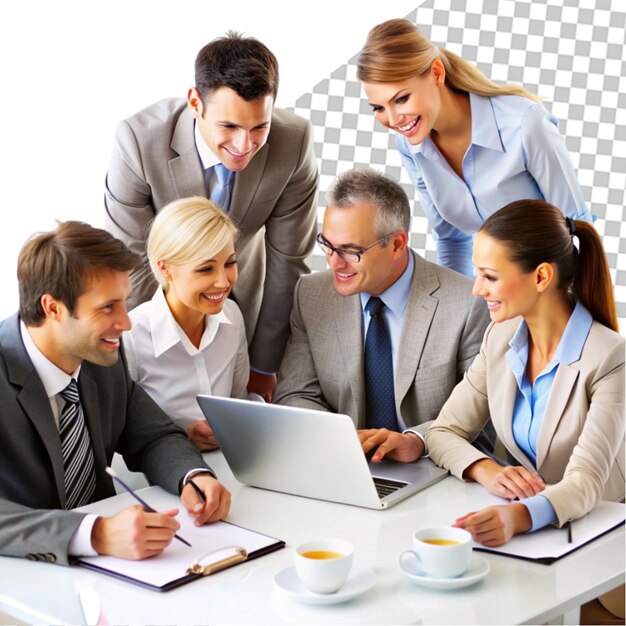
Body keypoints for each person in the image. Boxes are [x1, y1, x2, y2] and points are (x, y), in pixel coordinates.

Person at [0, 221, 231, 565]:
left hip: (115, 569)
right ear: (53, 308)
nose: (125, 323)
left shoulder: (100, 354)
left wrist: (191, 476)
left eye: (124, 302)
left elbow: (153, 436)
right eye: (108, 307)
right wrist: (94, 533)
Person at [105, 31, 319, 402]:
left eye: (259, 128)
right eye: (229, 127)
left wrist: (264, 365)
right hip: (157, 305)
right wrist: (146, 352)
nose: (243, 145)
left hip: (245, 304)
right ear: (195, 102)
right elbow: (133, 262)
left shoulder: (293, 141)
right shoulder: (138, 140)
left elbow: (290, 261)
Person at [425, 200, 624, 549]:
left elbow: (587, 480)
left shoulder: (610, 357)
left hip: (601, 544)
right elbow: (443, 432)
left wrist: (519, 516)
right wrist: (489, 471)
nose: (477, 289)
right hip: (527, 543)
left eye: (490, 276)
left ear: (542, 276)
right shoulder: (500, 337)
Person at [274, 167, 491, 463]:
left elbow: (485, 419)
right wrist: (345, 437)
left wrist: (416, 441)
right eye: (327, 245)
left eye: (351, 251)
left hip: (432, 469)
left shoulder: (467, 304)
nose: (335, 263)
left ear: (397, 244)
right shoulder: (311, 294)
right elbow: (294, 395)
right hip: (342, 463)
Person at [357, 18, 592, 277]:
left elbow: (576, 227)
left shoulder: (525, 124)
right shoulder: (410, 144)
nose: (392, 120)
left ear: (436, 73)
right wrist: (456, 312)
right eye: (378, 108)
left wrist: (567, 308)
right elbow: (451, 241)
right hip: (494, 294)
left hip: (551, 289)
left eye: (401, 99)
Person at [124, 197, 249, 452]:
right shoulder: (131, 337)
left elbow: (240, 401)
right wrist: (181, 436)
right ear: (166, 269)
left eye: (230, 263)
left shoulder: (232, 317)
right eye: (205, 269)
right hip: (154, 479)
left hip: (229, 464)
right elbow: (120, 432)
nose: (223, 282)